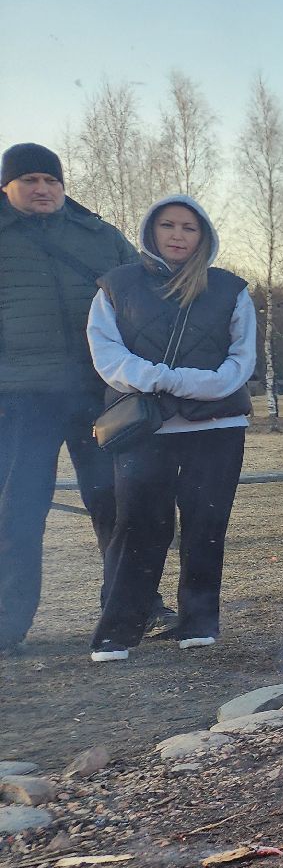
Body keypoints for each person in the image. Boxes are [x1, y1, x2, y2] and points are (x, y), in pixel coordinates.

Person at [85, 195, 256, 661]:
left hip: (217, 426)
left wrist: (184, 383)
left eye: (188, 228)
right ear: (150, 231)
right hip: (146, 429)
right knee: (137, 525)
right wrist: (161, 378)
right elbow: (108, 356)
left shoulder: (230, 289)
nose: (178, 235)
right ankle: (118, 631)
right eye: (168, 226)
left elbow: (239, 363)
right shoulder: (117, 287)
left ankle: (198, 622)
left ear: (203, 236)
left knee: (206, 524)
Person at [0, 143, 147, 654]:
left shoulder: (97, 234)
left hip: (95, 390)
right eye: (30, 180)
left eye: (51, 181)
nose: (42, 190)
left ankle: (128, 607)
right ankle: (7, 623)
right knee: (17, 511)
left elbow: (144, 288)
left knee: (113, 501)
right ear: (7, 186)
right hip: (19, 398)